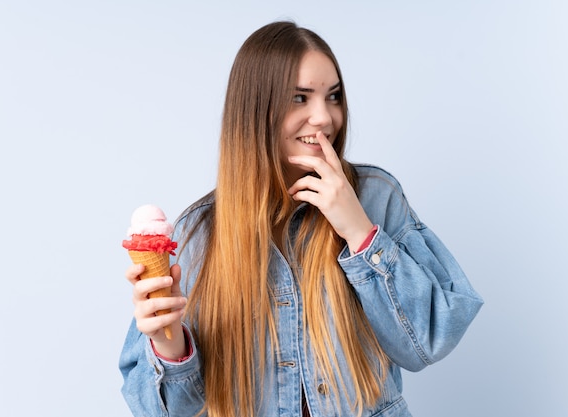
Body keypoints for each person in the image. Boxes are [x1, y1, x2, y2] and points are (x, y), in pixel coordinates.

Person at [119, 21, 483, 417]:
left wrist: (360, 233)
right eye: (300, 97)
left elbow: (428, 340)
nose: (324, 117)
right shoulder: (200, 233)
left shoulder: (376, 197)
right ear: (256, 110)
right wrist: (169, 346)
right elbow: (160, 411)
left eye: (333, 97)